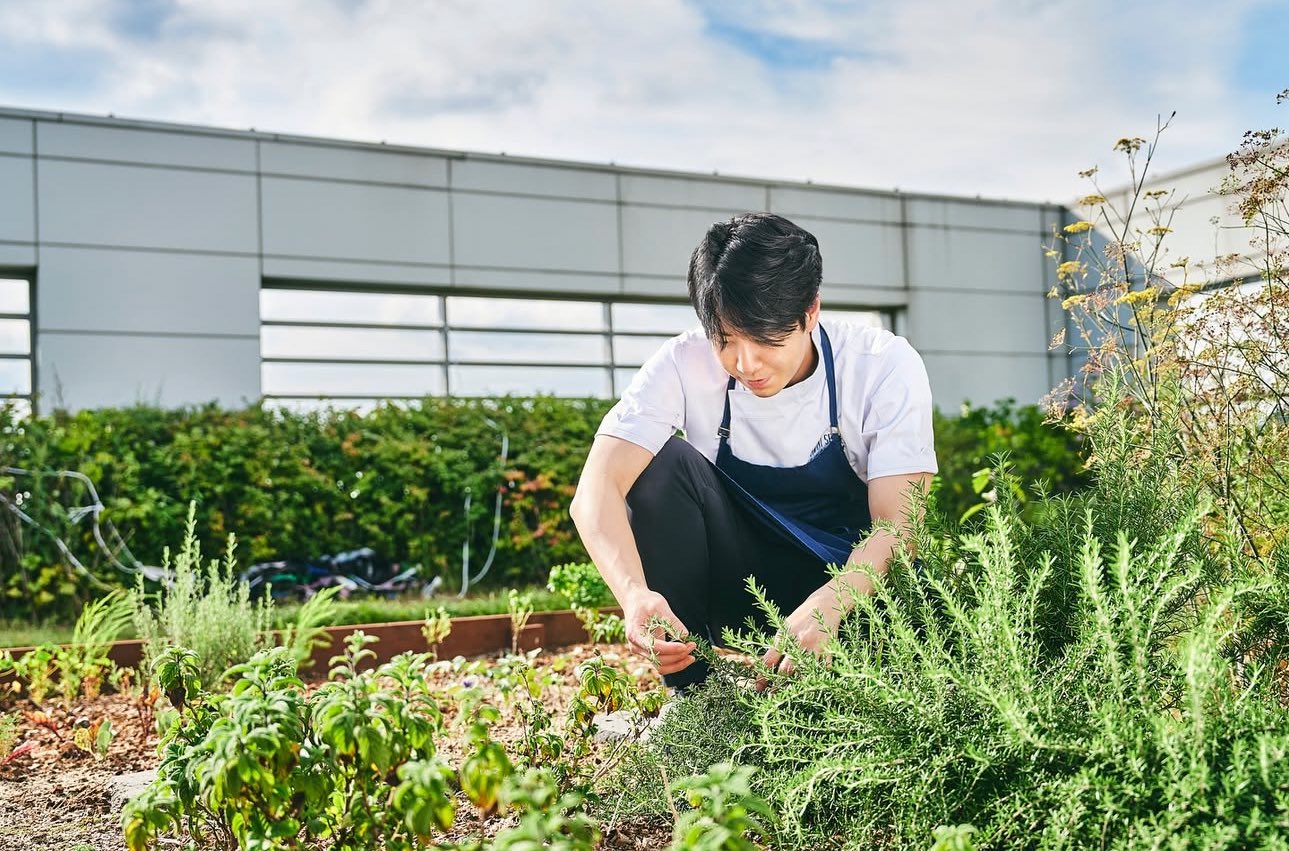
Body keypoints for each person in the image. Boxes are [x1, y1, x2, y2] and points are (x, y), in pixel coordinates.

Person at [569, 212, 937, 690]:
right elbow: (595, 489)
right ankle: (695, 701)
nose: (746, 364)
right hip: (743, 586)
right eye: (726, 341)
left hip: (853, 595)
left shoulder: (880, 364)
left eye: (766, 339)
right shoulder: (682, 364)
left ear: (810, 313)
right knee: (662, 467)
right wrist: (635, 595)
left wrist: (828, 606)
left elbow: (900, 527)